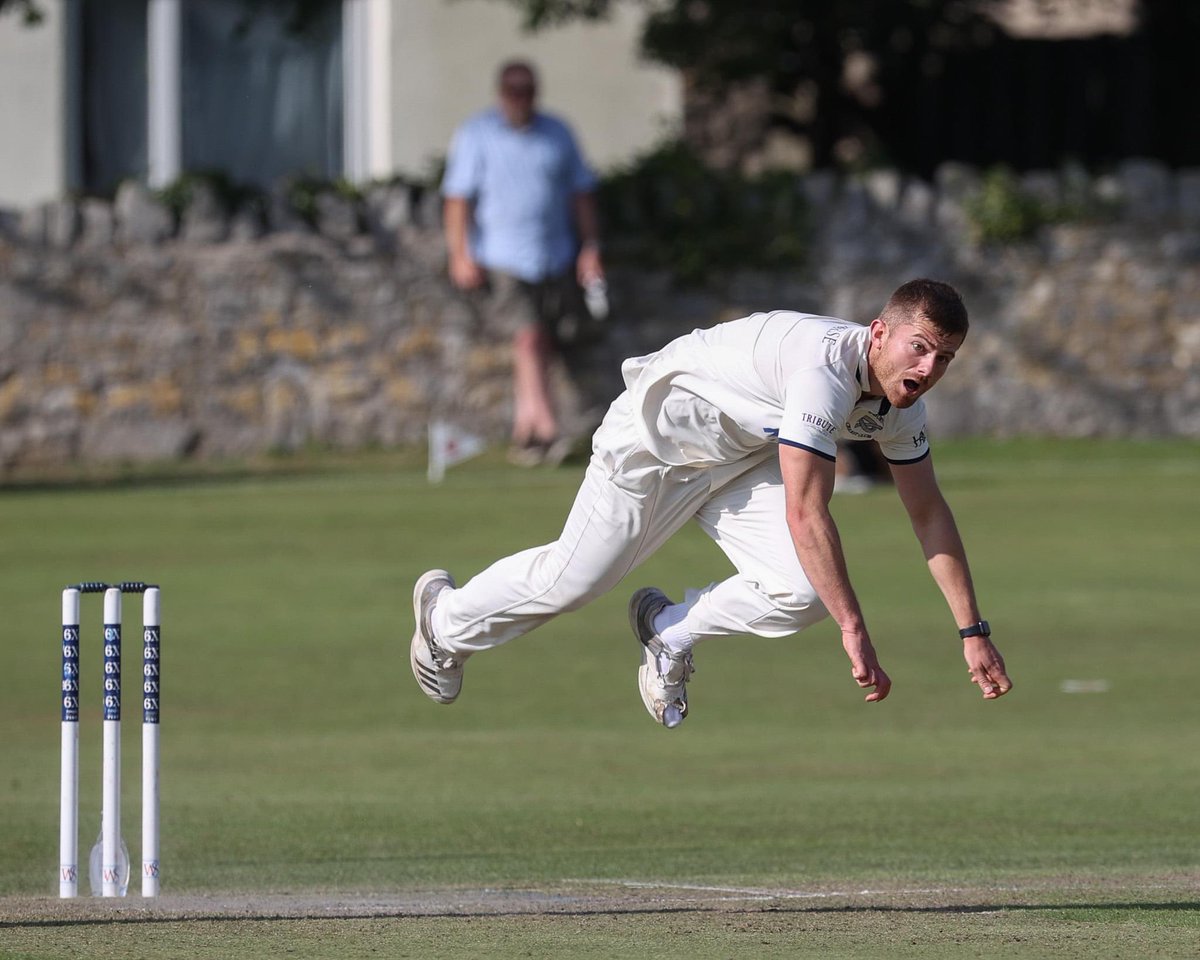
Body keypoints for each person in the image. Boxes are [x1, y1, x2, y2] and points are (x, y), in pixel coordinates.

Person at [410, 279, 1012, 728]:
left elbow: (929, 513)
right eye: (920, 347)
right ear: (880, 332)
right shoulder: (822, 373)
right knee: (573, 583)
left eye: (945, 358)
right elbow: (807, 513)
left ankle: (668, 631)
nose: (929, 368)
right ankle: (443, 622)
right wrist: (854, 629)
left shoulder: (904, 410)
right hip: (654, 446)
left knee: (802, 592)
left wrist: (972, 629)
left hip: (738, 457)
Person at [441, 59, 606, 466]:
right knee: (529, 337)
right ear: (501, 94)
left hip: (554, 254)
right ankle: (549, 429)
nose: (521, 99)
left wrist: (590, 247)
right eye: (513, 91)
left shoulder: (557, 133)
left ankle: (525, 431)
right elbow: (458, 200)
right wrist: (459, 254)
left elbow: (580, 194)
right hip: (502, 256)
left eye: (527, 90)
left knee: (542, 341)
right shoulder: (477, 134)